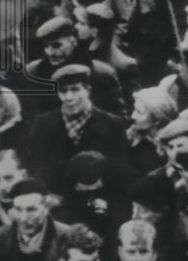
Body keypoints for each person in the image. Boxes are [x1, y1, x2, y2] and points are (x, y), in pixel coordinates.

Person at [25, 65, 130, 193]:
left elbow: (121, 166)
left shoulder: (113, 124)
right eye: (63, 91)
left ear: (88, 90)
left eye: (75, 89)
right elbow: (36, 166)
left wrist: (102, 187)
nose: (69, 97)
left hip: (101, 194)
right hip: (58, 196)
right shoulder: (43, 124)